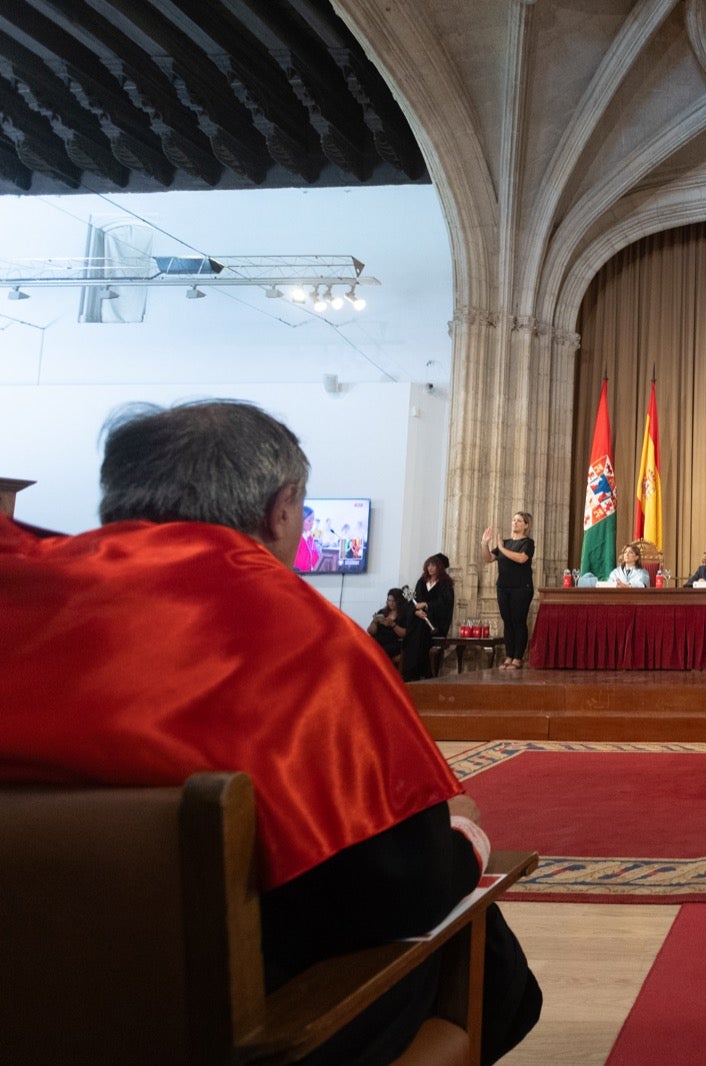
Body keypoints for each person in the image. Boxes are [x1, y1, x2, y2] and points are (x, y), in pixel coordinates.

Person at [0, 399, 541, 1066]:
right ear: (283, 509)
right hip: (235, 1027)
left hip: (30, 1007)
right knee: (487, 951)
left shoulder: (20, 586)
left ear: (117, 498)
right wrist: (464, 834)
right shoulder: (299, 635)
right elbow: (397, 893)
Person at [482, 512, 534, 669]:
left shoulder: (528, 543)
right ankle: (509, 655)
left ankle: (518, 657)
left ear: (526, 525)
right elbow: (488, 559)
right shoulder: (505, 543)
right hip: (503, 587)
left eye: (519, 521)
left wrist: (502, 549)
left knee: (519, 621)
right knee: (508, 622)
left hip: (521, 588)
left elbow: (521, 558)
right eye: (513, 520)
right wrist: (484, 543)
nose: (515, 523)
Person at [402, 552, 454, 680]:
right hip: (418, 623)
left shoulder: (445, 584)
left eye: (433, 565)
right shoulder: (421, 582)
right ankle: (411, 677)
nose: (430, 568)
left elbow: (445, 604)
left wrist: (427, 605)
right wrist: (415, 611)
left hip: (433, 625)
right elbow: (414, 601)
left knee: (428, 652)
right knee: (413, 647)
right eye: (428, 565)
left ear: (440, 567)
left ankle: (429, 677)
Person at [367, 587, 412, 665]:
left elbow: (404, 633)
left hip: (394, 642)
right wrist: (375, 622)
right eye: (389, 600)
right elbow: (371, 631)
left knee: (381, 651)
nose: (391, 603)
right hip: (379, 639)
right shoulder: (382, 612)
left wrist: (392, 624)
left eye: (394, 601)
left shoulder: (404, 614)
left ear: (399, 601)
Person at [294, 503, 320, 572]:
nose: (312, 523)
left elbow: (315, 558)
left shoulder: (310, 538)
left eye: (313, 520)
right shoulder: (295, 538)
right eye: (309, 520)